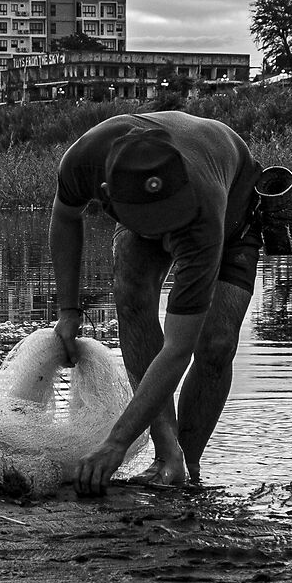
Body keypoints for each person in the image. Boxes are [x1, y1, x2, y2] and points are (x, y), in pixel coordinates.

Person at [50, 109, 259, 491]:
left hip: (231, 212)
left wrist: (117, 442)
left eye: (171, 219)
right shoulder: (84, 159)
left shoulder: (199, 211)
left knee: (215, 342)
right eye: (158, 224)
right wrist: (68, 311)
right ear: (108, 196)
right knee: (130, 296)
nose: (168, 238)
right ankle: (167, 453)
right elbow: (65, 217)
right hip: (145, 215)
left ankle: (185, 467)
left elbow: (179, 347)